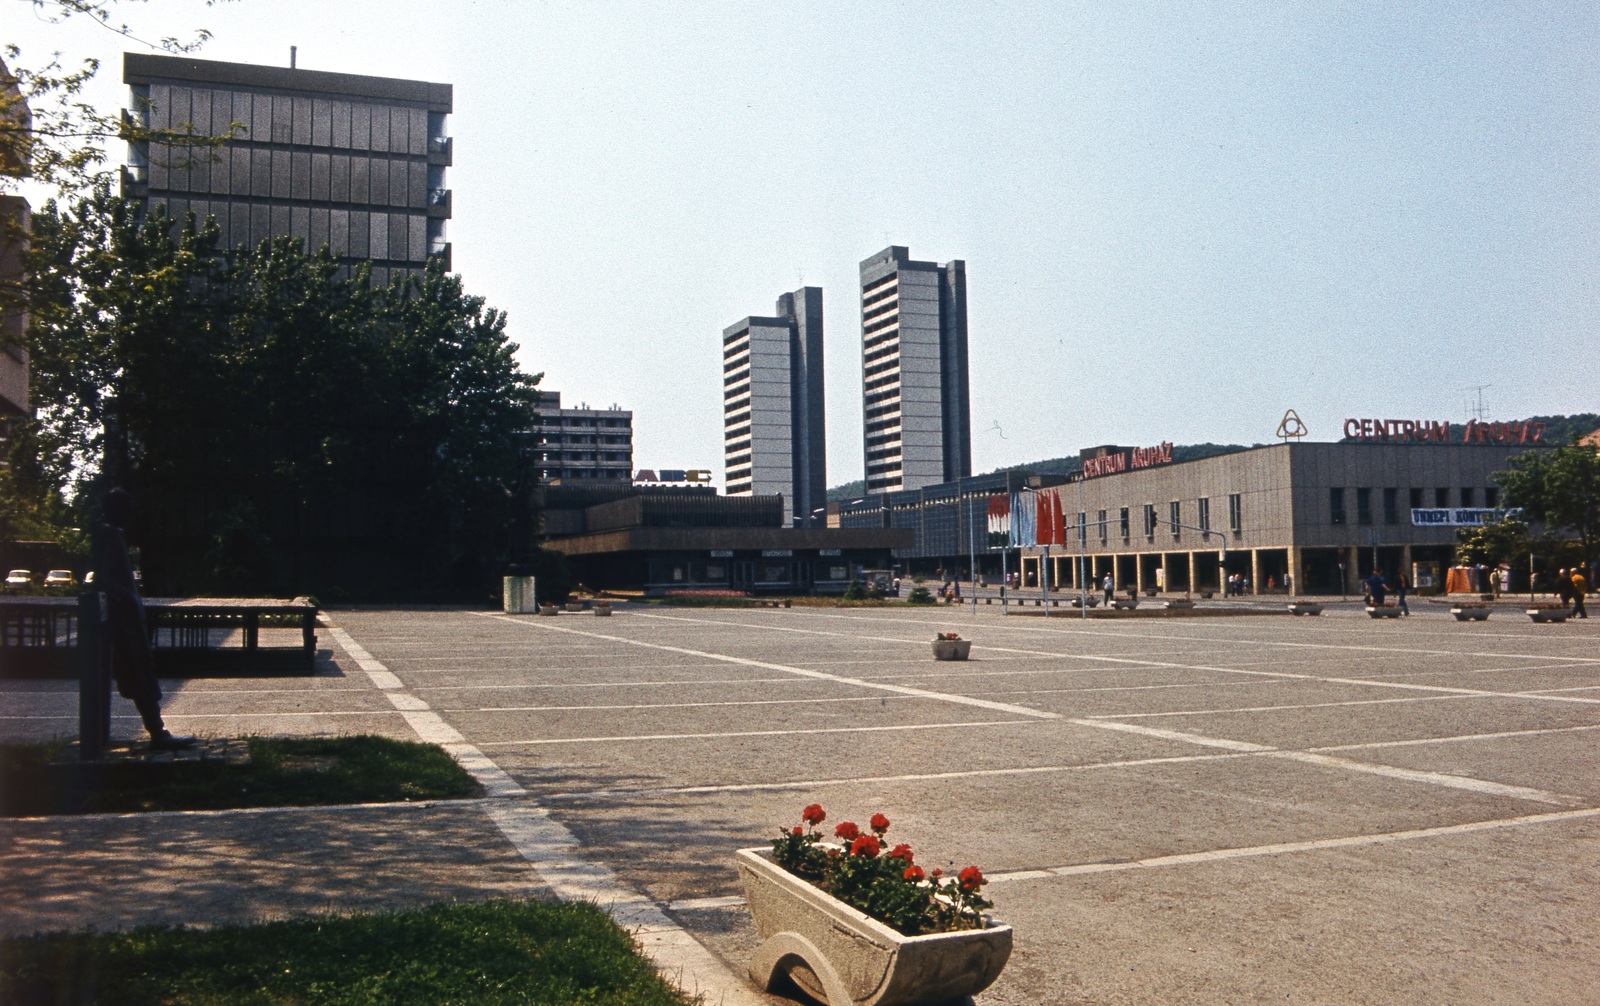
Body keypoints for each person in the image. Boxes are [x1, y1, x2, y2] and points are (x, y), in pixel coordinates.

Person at [91, 489, 196, 751]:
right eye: (126, 510)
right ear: (118, 510)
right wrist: (125, 603)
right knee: (140, 674)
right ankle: (157, 732)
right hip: (126, 621)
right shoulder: (111, 535)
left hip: (128, 616)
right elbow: (102, 579)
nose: (130, 516)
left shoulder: (109, 534)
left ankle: (155, 730)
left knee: (139, 674)